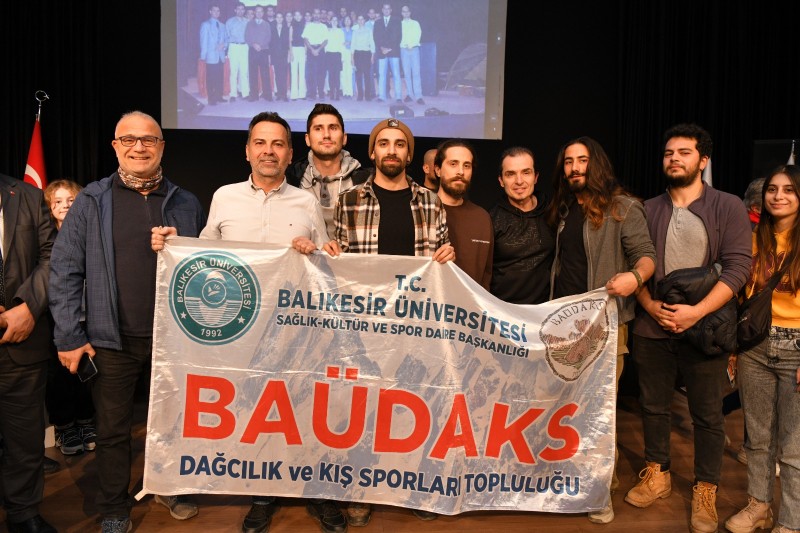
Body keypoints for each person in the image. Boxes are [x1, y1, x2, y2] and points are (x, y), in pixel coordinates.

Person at [153, 111, 346, 533]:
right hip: (241, 334)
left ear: (290, 153)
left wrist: (314, 249)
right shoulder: (224, 197)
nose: (268, 151)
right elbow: (204, 254)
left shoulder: (306, 201)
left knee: (305, 413)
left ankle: (319, 493)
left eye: (278, 144)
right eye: (260, 143)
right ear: (247, 151)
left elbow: (327, 259)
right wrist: (171, 245)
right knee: (257, 415)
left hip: (297, 330)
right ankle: (262, 495)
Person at [49, 111, 207, 533]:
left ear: (162, 147)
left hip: (174, 339)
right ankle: (114, 508)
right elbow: (64, 269)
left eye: (149, 139)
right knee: (113, 430)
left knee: (172, 423)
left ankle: (170, 487)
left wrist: (180, 246)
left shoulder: (187, 202)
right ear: (115, 146)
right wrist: (69, 336)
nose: (140, 147)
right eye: (129, 139)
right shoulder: (92, 200)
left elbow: (206, 267)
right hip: (111, 338)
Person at [314, 117, 454, 527]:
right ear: (372, 151)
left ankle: (416, 485)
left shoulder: (431, 202)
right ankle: (362, 489)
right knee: (365, 406)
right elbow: (339, 262)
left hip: (416, 324)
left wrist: (447, 257)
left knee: (416, 405)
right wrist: (332, 253)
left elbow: (443, 259)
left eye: (400, 144)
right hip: (366, 325)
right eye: (384, 143)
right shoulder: (349, 200)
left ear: (409, 155)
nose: (392, 150)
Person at [627, 124, 751, 533]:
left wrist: (695, 312)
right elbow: (634, 263)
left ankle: (705, 489)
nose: (674, 158)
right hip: (653, 327)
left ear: (703, 160)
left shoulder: (728, 206)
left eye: (684, 152)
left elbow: (738, 268)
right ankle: (658, 474)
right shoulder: (646, 209)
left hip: (706, 328)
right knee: (653, 407)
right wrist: (650, 305)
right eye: (669, 153)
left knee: (708, 416)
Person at [548, 136, 657, 524]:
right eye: (568, 161)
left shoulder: (623, 208)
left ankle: (599, 489)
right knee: (570, 408)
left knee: (599, 410)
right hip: (564, 325)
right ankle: (578, 476)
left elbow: (647, 257)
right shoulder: (564, 210)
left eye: (582, 160)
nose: (575, 168)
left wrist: (634, 277)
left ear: (597, 164)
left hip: (605, 327)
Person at [723, 164, 800, 533]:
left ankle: (791, 522)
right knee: (757, 437)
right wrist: (735, 350)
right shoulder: (753, 238)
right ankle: (759, 507)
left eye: (788, 190)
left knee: (793, 445)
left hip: (796, 347)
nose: (778, 196)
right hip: (755, 344)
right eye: (772, 189)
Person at [0, 171, 57, 533]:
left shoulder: (29, 196)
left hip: (21, 339)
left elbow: (53, 257)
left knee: (25, 440)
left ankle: (23, 513)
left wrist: (28, 306)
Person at [43, 180, 96, 457]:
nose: (64, 206)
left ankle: (86, 422)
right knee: (60, 377)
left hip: (89, 317)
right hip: (56, 320)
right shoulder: (44, 241)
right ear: (49, 208)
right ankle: (65, 427)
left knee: (86, 375)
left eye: (71, 200)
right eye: (57, 202)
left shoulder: (91, 235)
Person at [286, 103, 371, 239]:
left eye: (333, 128)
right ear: (307, 139)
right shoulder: (291, 178)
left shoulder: (366, 180)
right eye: (318, 129)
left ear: (344, 138)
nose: (326, 135)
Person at [489, 146, 554, 305]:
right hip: (502, 312)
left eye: (526, 172)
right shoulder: (490, 219)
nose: (519, 181)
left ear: (535, 177)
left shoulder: (552, 212)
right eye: (510, 174)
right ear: (501, 181)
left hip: (544, 311)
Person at [434, 139, 492, 289]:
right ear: (438, 170)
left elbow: (486, 276)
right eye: (453, 164)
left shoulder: (482, 218)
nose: (461, 171)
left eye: (467, 165)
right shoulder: (423, 212)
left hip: (471, 303)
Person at [372, 3, 403, 103]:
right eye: (384, 9)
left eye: (388, 9)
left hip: (394, 52)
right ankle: (382, 96)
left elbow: (398, 36)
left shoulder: (397, 21)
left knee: (396, 75)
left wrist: (389, 48)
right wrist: (382, 48)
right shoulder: (377, 22)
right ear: (382, 10)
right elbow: (375, 37)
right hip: (381, 52)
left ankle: (398, 97)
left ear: (391, 10)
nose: (386, 10)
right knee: (382, 75)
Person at [200, 3, 227, 105]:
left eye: (218, 11)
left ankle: (219, 96)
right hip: (211, 56)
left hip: (221, 56)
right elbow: (203, 41)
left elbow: (227, 39)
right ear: (210, 12)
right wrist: (203, 56)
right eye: (214, 10)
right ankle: (211, 99)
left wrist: (224, 45)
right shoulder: (205, 25)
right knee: (211, 78)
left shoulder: (223, 25)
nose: (216, 12)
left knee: (220, 77)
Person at [245, 5, 272, 102]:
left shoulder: (266, 24)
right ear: (254, 13)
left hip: (263, 50)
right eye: (257, 11)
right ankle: (254, 95)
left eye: (261, 11)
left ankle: (267, 95)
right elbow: (246, 37)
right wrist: (253, 44)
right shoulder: (249, 24)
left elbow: (269, 37)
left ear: (263, 13)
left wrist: (261, 45)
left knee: (265, 73)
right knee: (252, 73)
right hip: (252, 50)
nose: (259, 13)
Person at [225, 2, 250, 102]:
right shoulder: (230, 22)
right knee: (233, 71)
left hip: (244, 47)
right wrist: (226, 50)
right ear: (235, 10)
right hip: (234, 47)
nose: (240, 11)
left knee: (244, 71)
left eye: (242, 9)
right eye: (238, 9)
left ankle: (245, 93)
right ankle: (233, 94)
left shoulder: (248, 22)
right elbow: (227, 36)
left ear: (244, 10)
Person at [399, 5, 424, 105]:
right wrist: (405, 46)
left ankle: (418, 96)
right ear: (401, 13)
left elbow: (418, 35)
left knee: (416, 73)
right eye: (403, 11)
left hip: (414, 49)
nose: (405, 13)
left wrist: (411, 45)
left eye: (407, 11)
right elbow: (399, 37)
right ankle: (410, 94)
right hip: (404, 50)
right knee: (407, 73)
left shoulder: (415, 23)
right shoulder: (399, 24)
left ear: (410, 12)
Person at [302, 8, 329, 101]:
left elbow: (326, 40)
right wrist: (312, 49)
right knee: (311, 73)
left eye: (318, 13)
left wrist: (318, 49)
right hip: (311, 50)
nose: (317, 15)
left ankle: (321, 93)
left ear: (320, 15)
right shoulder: (308, 26)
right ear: (313, 15)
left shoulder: (324, 27)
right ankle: (312, 94)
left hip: (321, 50)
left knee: (321, 73)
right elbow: (305, 39)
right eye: (315, 13)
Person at [351, 14, 375, 101]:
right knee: (358, 75)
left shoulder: (369, 30)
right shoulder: (355, 31)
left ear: (364, 20)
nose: (360, 21)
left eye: (362, 19)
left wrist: (372, 55)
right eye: (359, 19)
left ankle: (367, 95)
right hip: (357, 54)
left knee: (367, 75)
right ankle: (360, 95)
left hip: (366, 54)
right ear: (357, 21)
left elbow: (372, 43)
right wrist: (352, 57)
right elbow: (353, 44)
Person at [270, 12, 290, 101]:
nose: (279, 19)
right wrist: (270, 55)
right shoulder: (272, 28)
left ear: (283, 19)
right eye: (277, 17)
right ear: (275, 18)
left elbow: (288, 43)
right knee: (277, 75)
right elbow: (270, 43)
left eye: (281, 17)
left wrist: (288, 54)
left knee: (284, 75)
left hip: (284, 55)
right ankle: (279, 94)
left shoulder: (287, 28)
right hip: (275, 55)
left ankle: (284, 94)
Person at [325, 16, 345, 101]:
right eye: (333, 20)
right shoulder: (327, 31)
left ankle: (337, 94)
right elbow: (325, 44)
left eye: (336, 20)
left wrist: (342, 57)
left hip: (337, 54)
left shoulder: (340, 31)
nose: (334, 21)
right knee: (331, 75)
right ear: (330, 21)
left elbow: (342, 45)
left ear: (338, 22)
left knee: (337, 75)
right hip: (329, 55)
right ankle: (332, 93)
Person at [289, 10, 307, 100]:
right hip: (294, 49)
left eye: (299, 15)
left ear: (302, 16)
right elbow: (290, 40)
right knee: (294, 72)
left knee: (302, 72)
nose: (297, 17)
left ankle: (302, 94)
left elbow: (306, 40)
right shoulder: (292, 26)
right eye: (295, 15)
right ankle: (294, 94)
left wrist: (306, 51)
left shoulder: (305, 25)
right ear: (294, 17)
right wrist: (291, 53)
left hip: (302, 49)